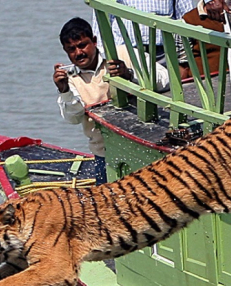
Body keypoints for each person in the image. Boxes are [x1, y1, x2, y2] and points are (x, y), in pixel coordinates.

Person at [54, 17, 169, 184]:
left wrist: (129, 75)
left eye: (82, 45)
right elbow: (73, 118)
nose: (78, 53)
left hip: (147, 146)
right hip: (106, 156)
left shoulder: (122, 53)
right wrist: (64, 91)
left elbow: (164, 79)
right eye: (71, 49)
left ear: (94, 41)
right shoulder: (70, 78)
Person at [91, 0, 196, 66]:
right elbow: (101, 15)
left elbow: (186, 15)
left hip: (165, 52)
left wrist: (185, 57)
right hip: (126, 51)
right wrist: (101, 55)